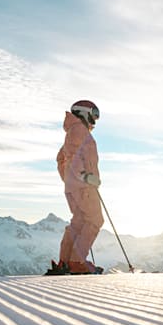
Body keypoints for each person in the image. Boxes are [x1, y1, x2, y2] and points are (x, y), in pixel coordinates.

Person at [50, 99, 104, 275]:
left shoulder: (72, 131)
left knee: (79, 221)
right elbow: (72, 157)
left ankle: (65, 262)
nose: (95, 120)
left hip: (74, 187)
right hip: (84, 186)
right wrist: (85, 177)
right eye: (94, 114)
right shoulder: (79, 130)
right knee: (95, 220)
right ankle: (76, 262)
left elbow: (61, 159)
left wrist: (69, 180)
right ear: (84, 112)